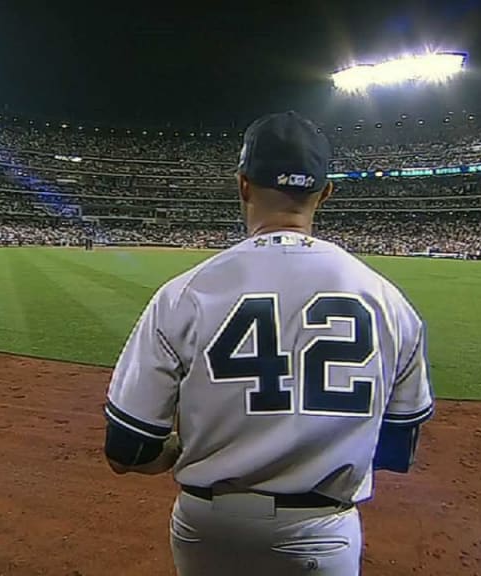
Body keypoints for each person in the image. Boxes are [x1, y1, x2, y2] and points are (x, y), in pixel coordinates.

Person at [103, 111, 435, 575]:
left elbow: (128, 447)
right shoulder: (386, 299)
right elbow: (397, 447)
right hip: (320, 534)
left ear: (242, 185)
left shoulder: (185, 292)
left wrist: (180, 451)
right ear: (325, 193)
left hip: (209, 529)